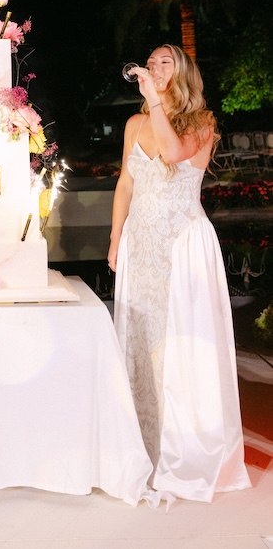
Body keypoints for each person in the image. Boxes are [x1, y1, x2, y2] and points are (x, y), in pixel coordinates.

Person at [107, 44, 251, 503]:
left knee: (182, 346)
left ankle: (186, 449)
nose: (154, 68)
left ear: (184, 71)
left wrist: (154, 100)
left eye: (165, 61)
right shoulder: (133, 125)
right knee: (140, 341)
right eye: (150, 63)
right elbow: (126, 183)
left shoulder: (201, 122)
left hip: (183, 247)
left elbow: (170, 154)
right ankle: (145, 445)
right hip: (141, 245)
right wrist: (115, 239)